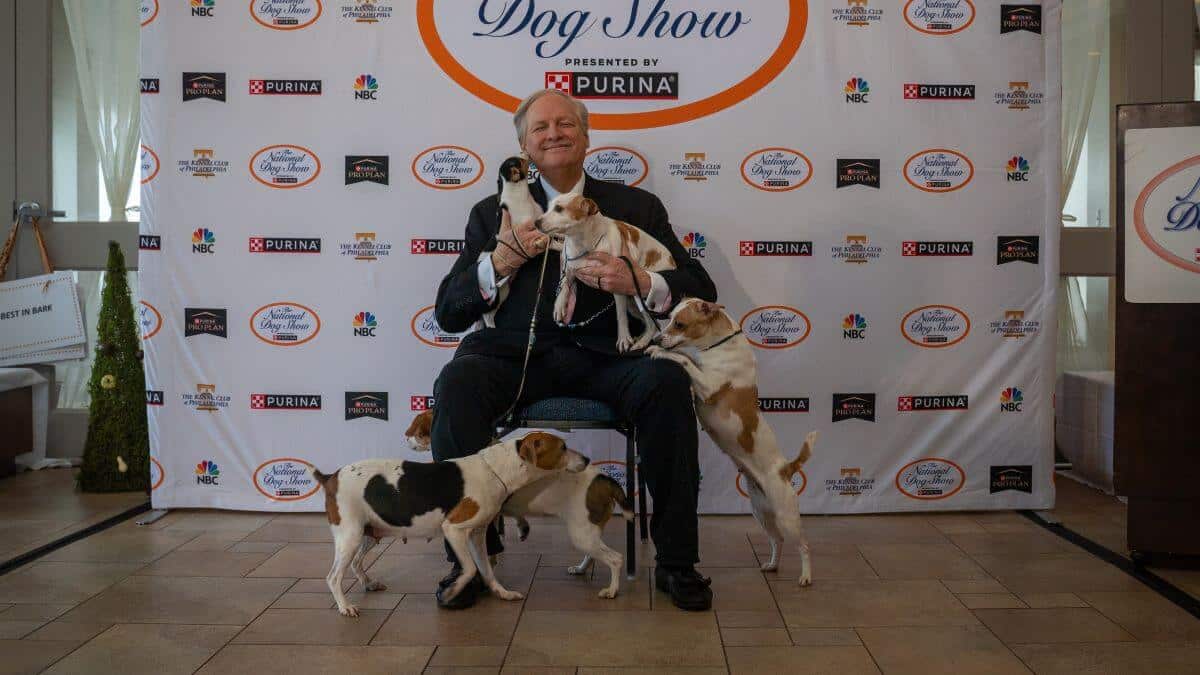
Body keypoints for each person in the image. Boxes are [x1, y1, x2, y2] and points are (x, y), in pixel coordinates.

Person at [432, 89, 718, 611]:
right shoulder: (490, 211)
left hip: (611, 358)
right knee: (457, 382)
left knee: (669, 383)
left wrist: (639, 279)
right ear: (523, 145)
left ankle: (678, 562)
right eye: (540, 128)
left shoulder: (637, 206)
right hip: (513, 357)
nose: (554, 134)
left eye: (566, 124)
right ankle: (470, 560)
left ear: (585, 138)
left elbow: (701, 289)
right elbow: (448, 312)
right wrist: (497, 262)